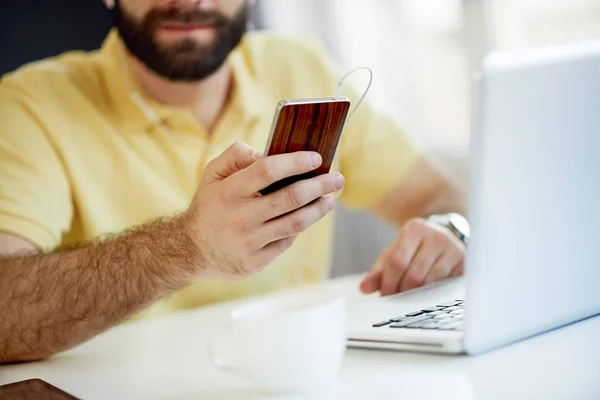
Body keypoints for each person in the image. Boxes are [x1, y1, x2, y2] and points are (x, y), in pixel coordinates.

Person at [0, 0, 467, 363]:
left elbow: (440, 195)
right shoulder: (30, 105)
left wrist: (449, 229)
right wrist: (185, 247)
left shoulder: (299, 65)